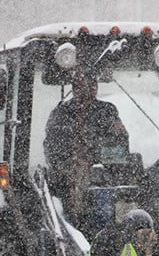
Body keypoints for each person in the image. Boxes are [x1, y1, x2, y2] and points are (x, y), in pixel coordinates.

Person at [43, 70, 130, 220]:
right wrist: (70, 166)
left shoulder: (107, 112)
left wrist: (94, 158)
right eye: (81, 86)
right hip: (68, 183)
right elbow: (52, 151)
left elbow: (120, 150)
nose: (87, 90)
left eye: (91, 85)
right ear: (74, 88)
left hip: (105, 181)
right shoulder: (60, 114)